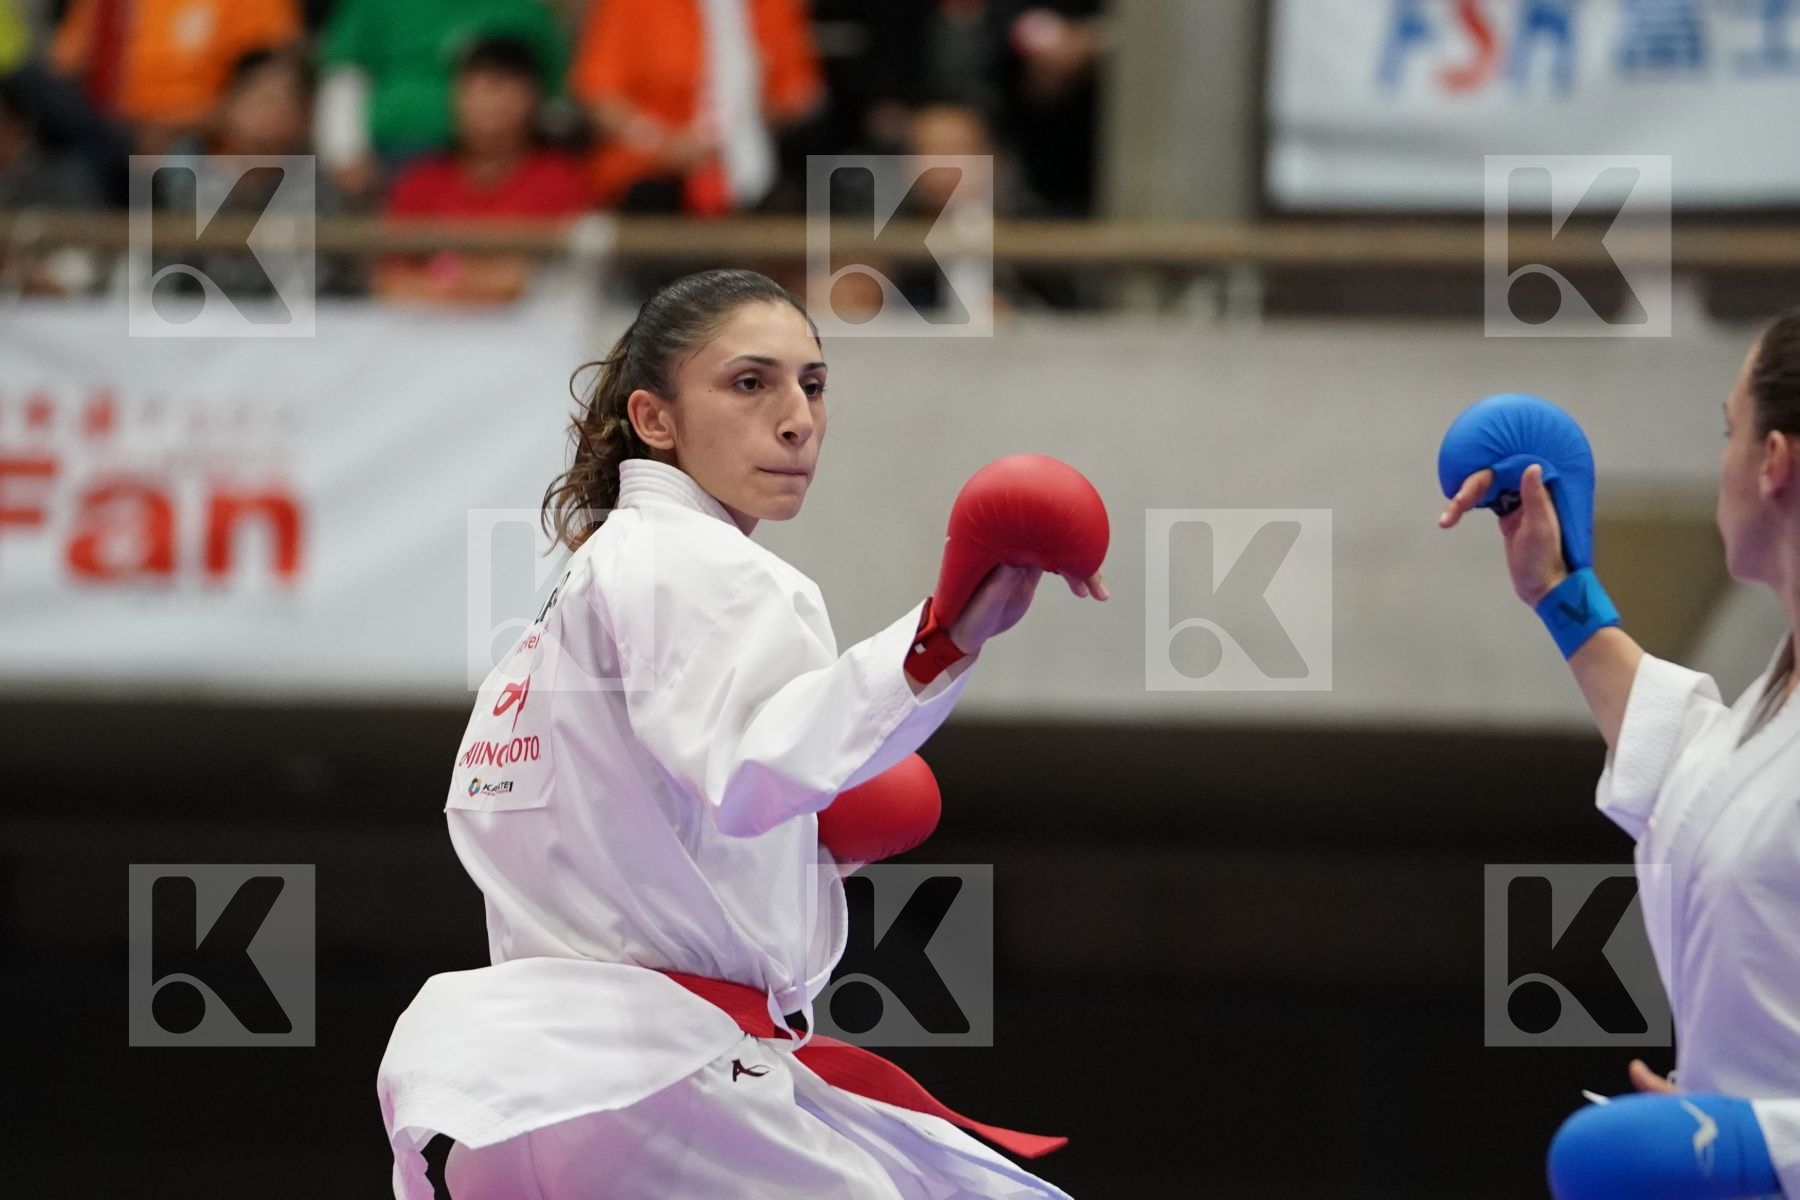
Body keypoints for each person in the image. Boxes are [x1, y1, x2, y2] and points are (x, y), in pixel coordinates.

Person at [377, 268, 1106, 1199]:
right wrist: (939, 639)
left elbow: (645, 846)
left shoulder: (568, 609)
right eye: (750, 383)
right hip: (658, 1082)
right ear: (656, 419)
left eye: (813, 383)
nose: (797, 418)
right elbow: (756, 770)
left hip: (539, 1097)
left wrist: (814, 856)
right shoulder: (698, 560)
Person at [1438, 311, 1800, 1199]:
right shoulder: (1775, 705)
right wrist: (1563, 594)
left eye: (1728, 429)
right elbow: (1702, 787)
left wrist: (1748, 1145)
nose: (1718, 457)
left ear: (1774, 461)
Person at [376, 36, 588, 306]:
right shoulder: (419, 181)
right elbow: (390, 282)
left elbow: (558, 282)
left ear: (533, 99)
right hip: (426, 337)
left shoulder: (560, 181)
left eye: (502, 89)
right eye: (476, 89)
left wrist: (446, 283)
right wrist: (486, 284)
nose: (490, 105)